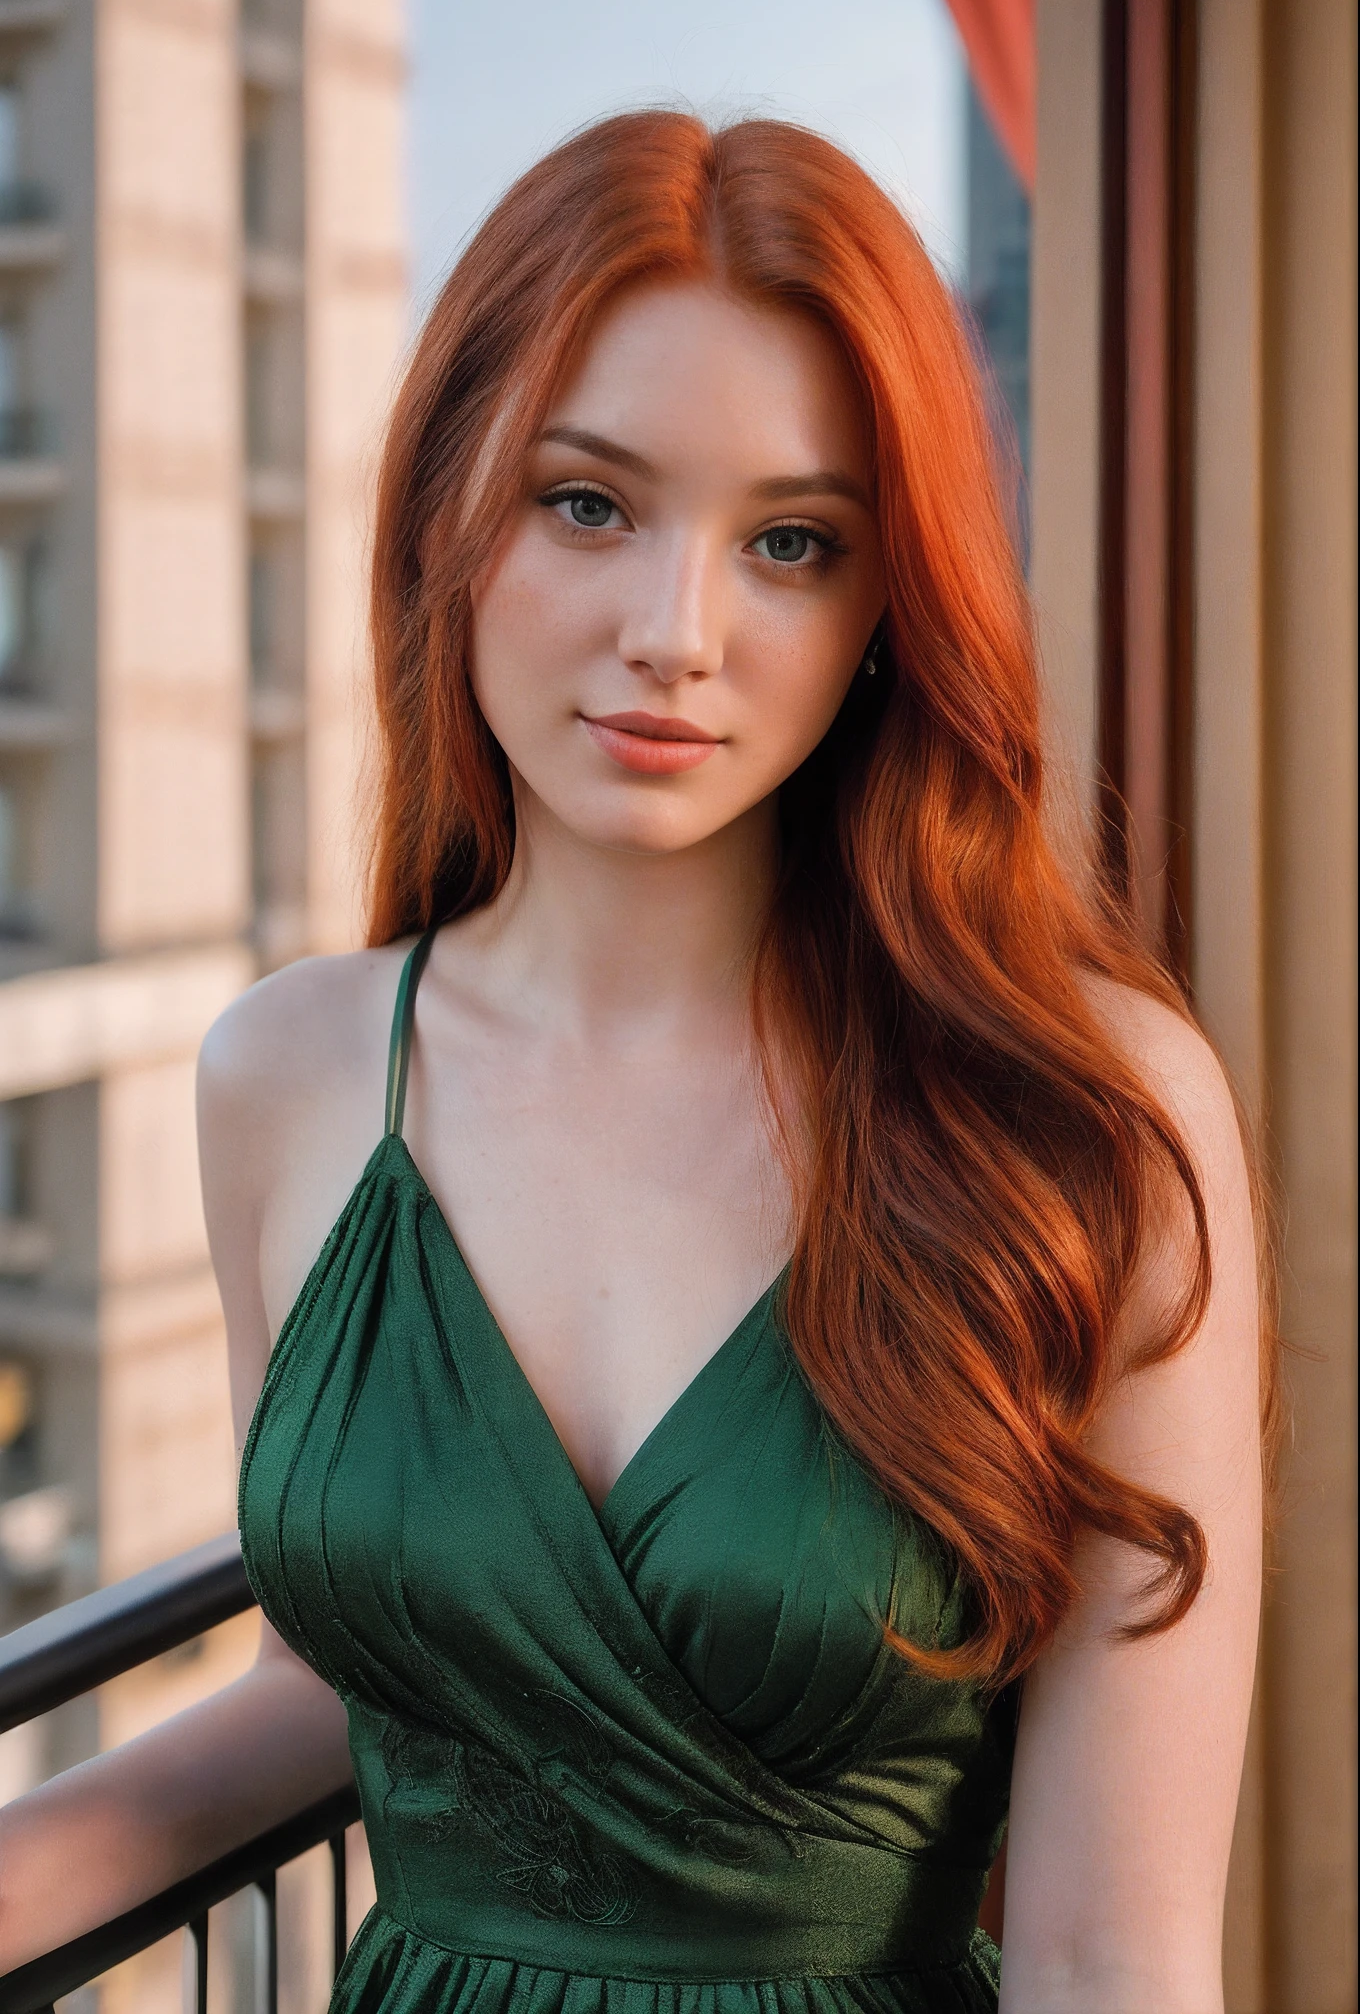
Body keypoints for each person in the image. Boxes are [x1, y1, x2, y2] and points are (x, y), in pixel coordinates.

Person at [0, 113, 1271, 2014]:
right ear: (451, 507)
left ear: (880, 611)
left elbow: (1114, 1953)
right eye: (588, 504)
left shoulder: (1088, 1112)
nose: (676, 635)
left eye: (789, 542)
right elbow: (339, 1695)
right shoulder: (291, 1072)